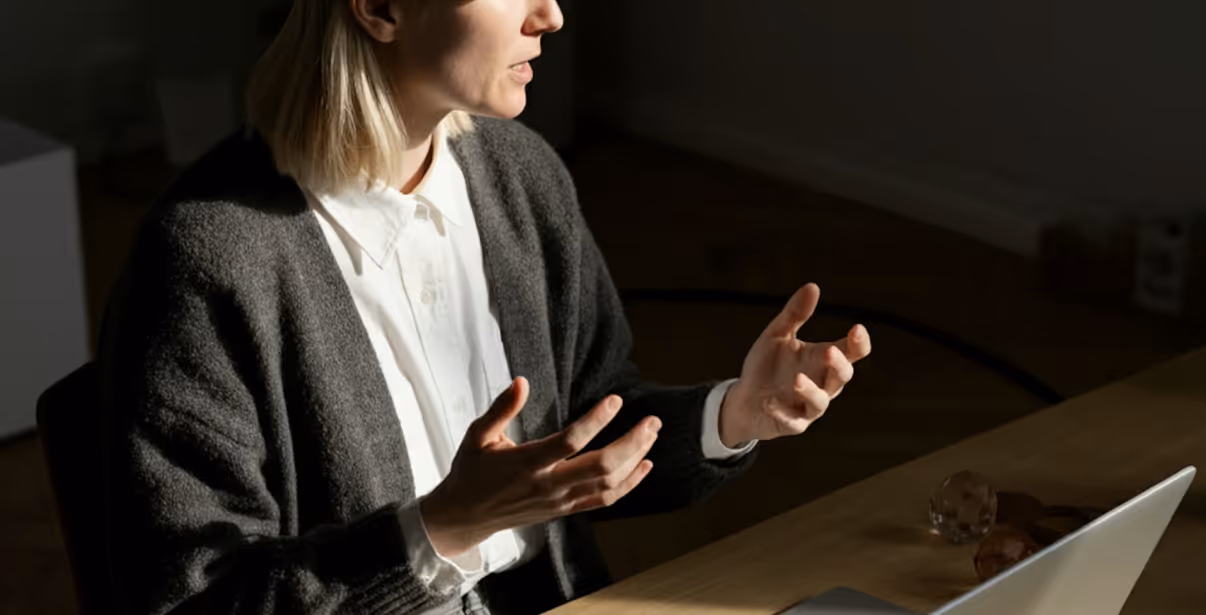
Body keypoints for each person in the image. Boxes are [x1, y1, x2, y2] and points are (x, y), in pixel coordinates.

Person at [95, 0, 873, 613]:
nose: (551, 14)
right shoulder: (208, 258)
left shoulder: (520, 175)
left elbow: (588, 429)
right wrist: (439, 528)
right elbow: (193, 599)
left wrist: (736, 412)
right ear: (379, 9)